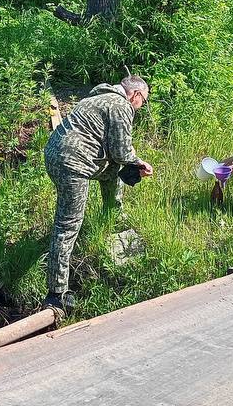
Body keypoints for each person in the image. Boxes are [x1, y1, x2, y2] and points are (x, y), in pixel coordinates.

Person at [43, 76, 153, 311]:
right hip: (75, 164)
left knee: (113, 171)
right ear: (135, 95)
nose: (141, 106)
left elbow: (114, 155)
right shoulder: (121, 105)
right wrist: (140, 163)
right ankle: (56, 294)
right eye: (143, 101)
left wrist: (131, 165)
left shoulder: (97, 97)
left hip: (54, 155)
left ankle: (113, 218)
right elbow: (122, 151)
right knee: (67, 226)